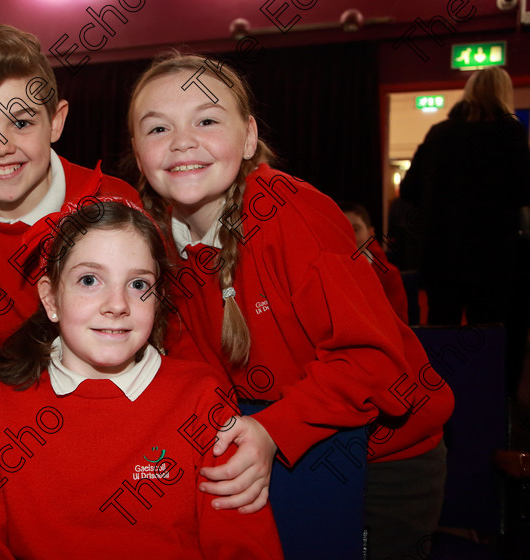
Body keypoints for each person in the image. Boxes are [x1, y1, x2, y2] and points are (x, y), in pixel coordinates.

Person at [127, 53, 454, 559]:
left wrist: (270, 429)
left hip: (384, 463)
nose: (182, 141)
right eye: (157, 128)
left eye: (207, 120)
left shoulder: (292, 211)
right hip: (277, 449)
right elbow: (194, 373)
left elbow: (372, 360)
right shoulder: (156, 248)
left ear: (249, 136)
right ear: (137, 151)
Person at [0, 199, 281, 559]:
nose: (117, 305)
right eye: (90, 280)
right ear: (51, 298)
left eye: (139, 284)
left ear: (158, 300)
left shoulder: (201, 396)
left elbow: (244, 544)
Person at [0, 24, 140, 373]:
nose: (1, 146)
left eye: (21, 123)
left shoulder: (113, 202)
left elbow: (165, 323)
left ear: (55, 122)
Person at [400, 66, 530, 392]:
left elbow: (409, 189)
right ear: (503, 93)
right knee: (489, 335)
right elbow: (523, 191)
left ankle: (437, 406)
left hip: (442, 254)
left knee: (440, 335)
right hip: (493, 257)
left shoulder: (441, 133)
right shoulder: (509, 133)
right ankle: (490, 408)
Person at [339, 201, 408, 323]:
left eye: (355, 229)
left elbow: (399, 324)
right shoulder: (327, 272)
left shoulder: (388, 275)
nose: (348, 235)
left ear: (371, 233)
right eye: (342, 229)